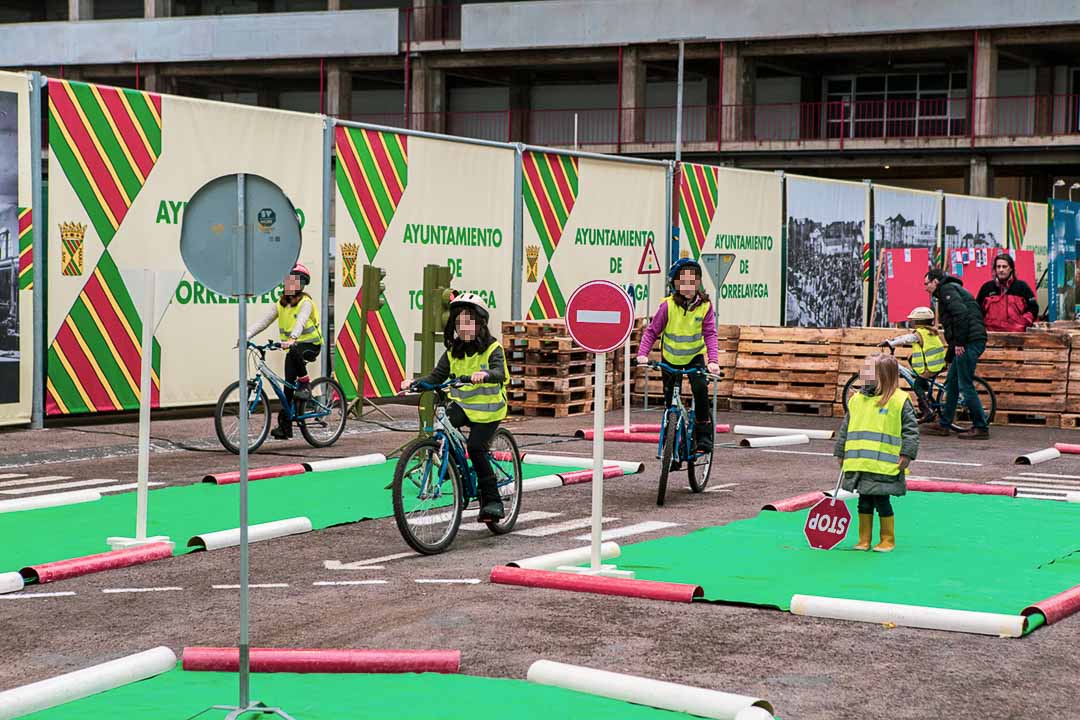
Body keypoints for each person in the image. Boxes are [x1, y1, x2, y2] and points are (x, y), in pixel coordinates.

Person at [401, 292, 508, 522]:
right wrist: (415, 383)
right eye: (459, 323)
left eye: (469, 322)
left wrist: (486, 374)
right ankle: (453, 469)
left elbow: (500, 372)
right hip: (463, 406)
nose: (464, 328)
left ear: (480, 324)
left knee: (476, 448)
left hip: (488, 410)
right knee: (443, 431)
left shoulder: (492, 348)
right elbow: (436, 377)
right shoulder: (452, 352)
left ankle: (492, 501)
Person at [834, 353, 919, 553]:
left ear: (883, 375)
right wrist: (841, 452)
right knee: (863, 501)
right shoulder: (857, 400)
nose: (863, 373)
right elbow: (845, 428)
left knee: (882, 501)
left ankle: (887, 539)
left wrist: (907, 454)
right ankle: (864, 539)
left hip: (885, 465)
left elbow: (911, 431)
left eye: (868, 370)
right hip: (860, 463)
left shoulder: (899, 400)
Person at [636, 258, 721, 453]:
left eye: (693, 281)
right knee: (670, 401)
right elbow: (652, 331)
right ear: (675, 284)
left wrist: (713, 361)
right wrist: (642, 354)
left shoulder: (705, 306)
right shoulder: (667, 306)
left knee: (700, 389)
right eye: (683, 282)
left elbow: (710, 334)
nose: (688, 286)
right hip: (670, 359)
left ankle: (703, 434)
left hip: (694, 357)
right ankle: (671, 444)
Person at [245, 263, 323, 440]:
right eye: (289, 280)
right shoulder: (280, 304)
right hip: (292, 347)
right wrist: (246, 335)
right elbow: (264, 322)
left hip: (310, 345)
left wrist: (293, 338)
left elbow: (301, 322)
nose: (291, 284)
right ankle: (286, 427)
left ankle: (305, 385)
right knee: (288, 385)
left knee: (294, 352)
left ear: (301, 285)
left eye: (295, 281)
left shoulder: (306, 303)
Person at [922, 268, 989, 439]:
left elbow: (961, 314)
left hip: (970, 341)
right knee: (951, 383)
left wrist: (960, 343)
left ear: (936, 281)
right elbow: (952, 326)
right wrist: (949, 356)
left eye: (927, 283)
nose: (925, 288)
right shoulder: (948, 291)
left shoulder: (946, 290)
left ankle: (981, 427)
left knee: (965, 385)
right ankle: (944, 424)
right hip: (968, 340)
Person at [879, 306, 945, 420]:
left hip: (930, 367)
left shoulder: (920, 334)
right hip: (936, 364)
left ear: (919, 322)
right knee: (911, 359)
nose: (911, 322)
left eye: (913, 320)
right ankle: (928, 399)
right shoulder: (930, 332)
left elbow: (906, 339)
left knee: (917, 386)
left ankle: (927, 411)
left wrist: (890, 343)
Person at [975, 254, 1038, 332]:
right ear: (995, 269)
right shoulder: (987, 288)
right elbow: (976, 310)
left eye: (1004, 267)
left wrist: (1023, 323)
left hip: (1016, 334)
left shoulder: (1022, 287)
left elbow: (1033, 308)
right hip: (991, 334)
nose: (1001, 270)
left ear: (1011, 268)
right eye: (998, 267)